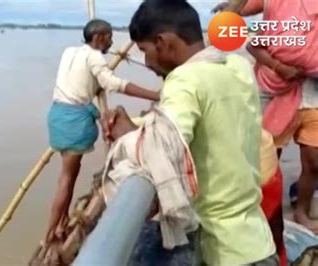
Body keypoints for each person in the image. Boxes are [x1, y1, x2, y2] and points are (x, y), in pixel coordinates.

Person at [102, 0, 278, 264]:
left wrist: (127, 135)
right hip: (256, 241)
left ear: (163, 42)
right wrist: (143, 125)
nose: (147, 62)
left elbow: (161, 147)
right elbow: (209, 119)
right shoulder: (237, 67)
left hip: (225, 252)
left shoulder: (185, 80)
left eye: (144, 50)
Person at [44, 19, 159, 244]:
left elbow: (77, 85)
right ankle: (50, 232)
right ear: (98, 38)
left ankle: (61, 223)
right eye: (108, 37)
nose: (111, 41)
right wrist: (155, 95)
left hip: (57, 115)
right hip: (74, 120)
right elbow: (114, 84)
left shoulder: (69, 51)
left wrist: (94, 90)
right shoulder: (94, 57)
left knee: (67, 175)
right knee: (67, 179)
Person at [215, 0, 318, 234]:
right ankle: (259, 208)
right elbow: (244, 34)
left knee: (314, 160)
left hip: (313, 91)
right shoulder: (275, 3)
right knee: (267, 155)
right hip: (274, 84)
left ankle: (301, 210)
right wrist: (278, 65)